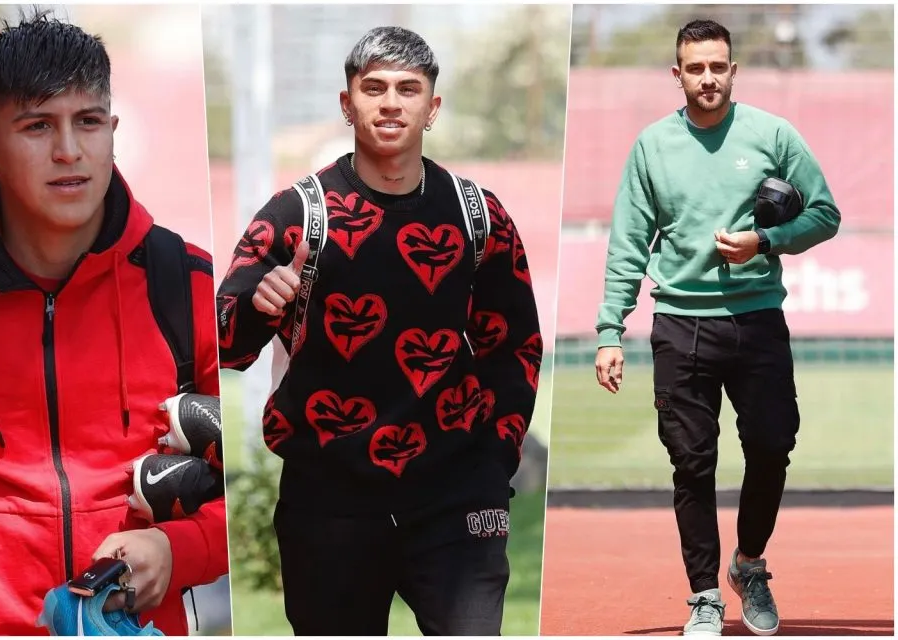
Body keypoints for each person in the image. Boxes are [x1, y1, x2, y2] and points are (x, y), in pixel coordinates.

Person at [0, 13, 228, 635]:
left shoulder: (190, 287)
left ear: (112, 130)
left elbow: (271, 482)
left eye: (87, 121)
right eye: (38, 126)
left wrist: (182, 549)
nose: (69, 151)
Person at [217, 26, 541, 636]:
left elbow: (515, 343)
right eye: (374, 88)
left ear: (432, 107)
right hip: (328, 498)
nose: (391, 102)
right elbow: (223, 349)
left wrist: (497, 459)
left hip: (458, 494)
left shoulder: (479, 215)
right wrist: (261, 305)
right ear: (348, 104)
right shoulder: (296, 215)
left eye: (408, 89)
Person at [593, 19, 840, 637]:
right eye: (695, 68)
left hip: (757, 320)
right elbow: (627, 244)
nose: (708, 77)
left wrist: (767, 240)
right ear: (677, 75)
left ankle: (749, 564)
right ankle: (705, 595)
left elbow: (826, 213)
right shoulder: (652, 146)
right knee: (691, 465)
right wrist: (608, 332)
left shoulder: (772, 134)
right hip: (680, 325)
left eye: (718, 66)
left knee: (773, 446)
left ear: (734, 69)